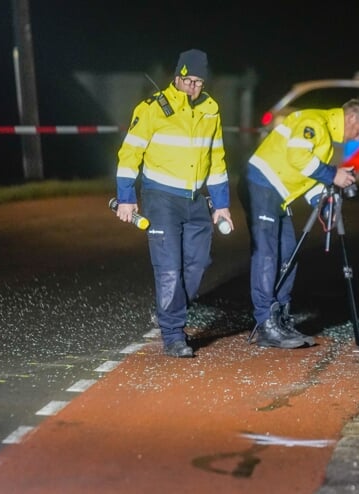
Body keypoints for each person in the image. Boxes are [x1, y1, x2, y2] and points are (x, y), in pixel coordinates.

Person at [114, 48, 233, 358]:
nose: (194, 87)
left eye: (199, 82)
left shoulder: (211, 109)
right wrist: (126, 197)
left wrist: (221, 204)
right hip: (161, 198)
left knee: (198, 264)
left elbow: (217, 159)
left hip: (196, 201)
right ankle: (173, 335)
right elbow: (129, 155)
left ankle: (169, 311)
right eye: (189, 80)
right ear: (178, 76)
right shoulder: (152, 108)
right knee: (169, 270)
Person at [244, 98, 359, 349]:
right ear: (352, 119)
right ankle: (265, 322)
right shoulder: (315, 121)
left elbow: (309, 176)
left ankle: (280, 318)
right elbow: (298, 157)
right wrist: (333, 174)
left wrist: (324, 205)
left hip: (278, 193)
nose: (358, 138)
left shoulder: (325, 135)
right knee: (268, 254)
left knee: (288, 253)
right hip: (262, 183)